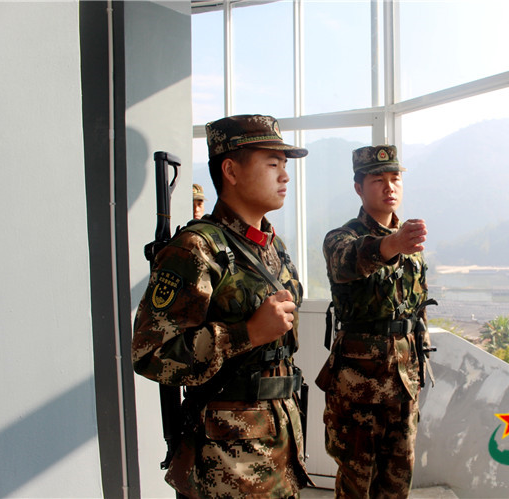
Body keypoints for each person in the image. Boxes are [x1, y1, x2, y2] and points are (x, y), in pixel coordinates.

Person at [132, 114, 312, 498]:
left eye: (284, 165)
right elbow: (151, 353)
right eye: (273, 164)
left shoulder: (272, 246)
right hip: (226, 464)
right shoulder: (197, 248)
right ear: (230, 170)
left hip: (279, 443)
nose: (285, 176)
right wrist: (246, 333)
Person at [315, 145, 433, 498]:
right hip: (359, 386)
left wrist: (421, 363)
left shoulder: (411, 246)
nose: (389, 187)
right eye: (378, 180)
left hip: (404, 381)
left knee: (398, 479)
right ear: (359, 188)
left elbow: (418, 307)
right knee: (357, 482)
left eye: (395, 178)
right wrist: (393, 243)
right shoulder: (341, 238)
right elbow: (349, 261)